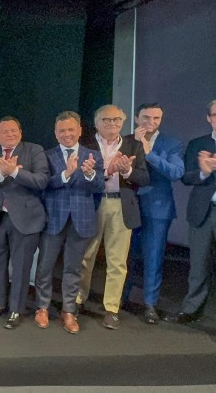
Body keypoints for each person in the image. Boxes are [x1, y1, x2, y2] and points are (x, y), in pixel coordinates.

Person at [76, 105, 148, 330]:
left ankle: (111, 309)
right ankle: (78, 300)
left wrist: (126, 171)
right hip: (92, 204)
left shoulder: (134, 146)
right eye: (106, 120)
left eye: (116, 119)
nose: (112, 124)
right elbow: (78, 177)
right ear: (96, 123)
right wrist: (108, 170)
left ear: (123, 122)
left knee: (117, 261)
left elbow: (144, 178)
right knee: (85, 256)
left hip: (121, 204)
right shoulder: (85, 146)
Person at [34, 111, 104, 334]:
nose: (67, 134)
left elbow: (99, 187)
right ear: (55, 133)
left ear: (80, 131)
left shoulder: (93, 155)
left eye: (71, 129)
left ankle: (69, 311)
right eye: (62, 130)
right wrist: (66, 173)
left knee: (73, 268)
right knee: (45, 266)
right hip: (53, 218)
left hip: (81, 219)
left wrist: (90, 174)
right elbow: (43, 184)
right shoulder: (46, 155)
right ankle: (42, 307)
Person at [0, 116, 49, 329]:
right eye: (5, 131)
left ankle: (16, 309)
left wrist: (15, 172)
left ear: (20, 132)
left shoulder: (34, 151)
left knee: (21, 267)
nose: (10, 134)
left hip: (25, 219)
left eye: (14, 130)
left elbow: (42, 180)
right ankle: (0, 304)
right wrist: (0, 174)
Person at [125, 103, 183, 324]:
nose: (151, 122)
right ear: (136, 118)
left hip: (158, 208)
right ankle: (119, 298)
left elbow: (176, 172)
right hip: (128, 204)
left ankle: (150, 304)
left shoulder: (172, 143)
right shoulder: (125, 141)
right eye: (146, 117)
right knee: (124, 256)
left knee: (154, 257)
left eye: (156, 118)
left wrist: (149, 153)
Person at [164, 99, 216, 324]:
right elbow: (185, 177)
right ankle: (192, 309)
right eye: (215, 115)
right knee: (199, 264)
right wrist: (204, 172)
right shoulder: (198, 144)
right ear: (208, 118)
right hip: (202, 211)